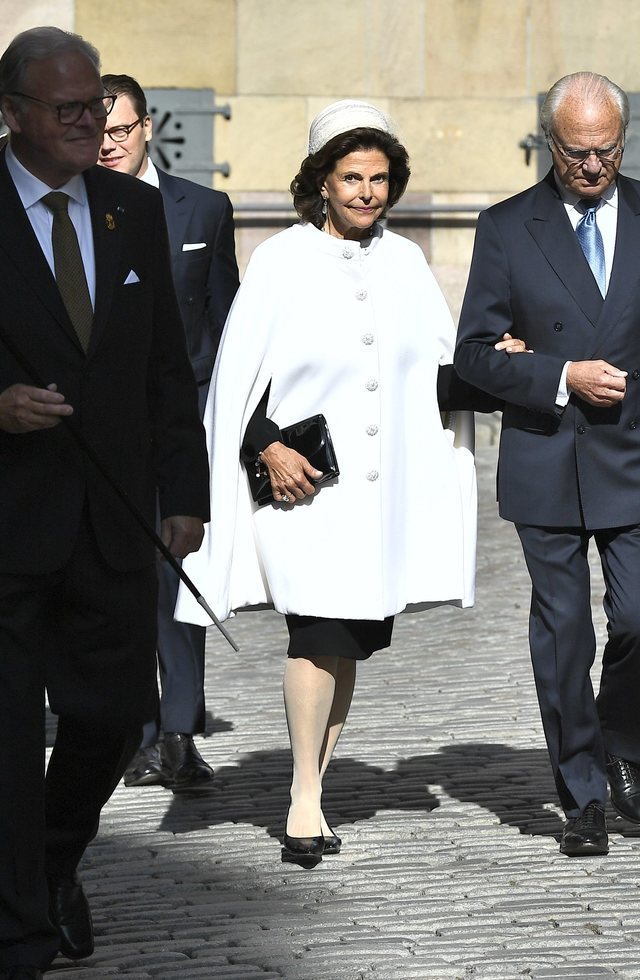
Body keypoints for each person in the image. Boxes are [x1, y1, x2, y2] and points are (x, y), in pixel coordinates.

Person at [175, 100, 511, 868]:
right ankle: (300, 798)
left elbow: (437, 375)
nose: (367, 192)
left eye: (380, 178)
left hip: (380, 500)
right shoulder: (282, 261)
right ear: (320, 182)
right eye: (352, 177)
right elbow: (236, 382)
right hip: (307, 494)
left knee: (350, 640)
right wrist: (265, 448)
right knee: (316, 632)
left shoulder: (406, 264)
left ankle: (313, 788)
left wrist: (502, 364)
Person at [454, 72, 640, 858]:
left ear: (625, 138)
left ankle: (620, 743)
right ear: (551, 143)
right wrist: (558, 375)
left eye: (606, 151)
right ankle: (580, 794)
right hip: (546, 456)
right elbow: (474, 354)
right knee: (565, 631)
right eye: (577, 153)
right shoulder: (507, 227)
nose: (592, 167)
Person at [0, 26, 208, 979]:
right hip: (8, 526)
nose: (93, 123)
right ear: (13, 115)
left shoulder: (130, 209)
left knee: (115, 718)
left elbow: (167, 365)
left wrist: (186, 491)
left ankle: (48, 866)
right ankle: (21, 934)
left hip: (118, 520)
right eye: (69, 109)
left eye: (100, 106)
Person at [97, 72, 240, 790]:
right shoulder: (78, 203)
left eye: (119, 130)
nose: (106, 144)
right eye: (95, 131)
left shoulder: (204, 208)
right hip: (98, 424)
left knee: (177, 573)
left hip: (184, 419)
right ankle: (138, 729)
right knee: (118, 579)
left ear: (147, 126)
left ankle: (180, 730)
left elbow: (229, 321)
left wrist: (237, 419)